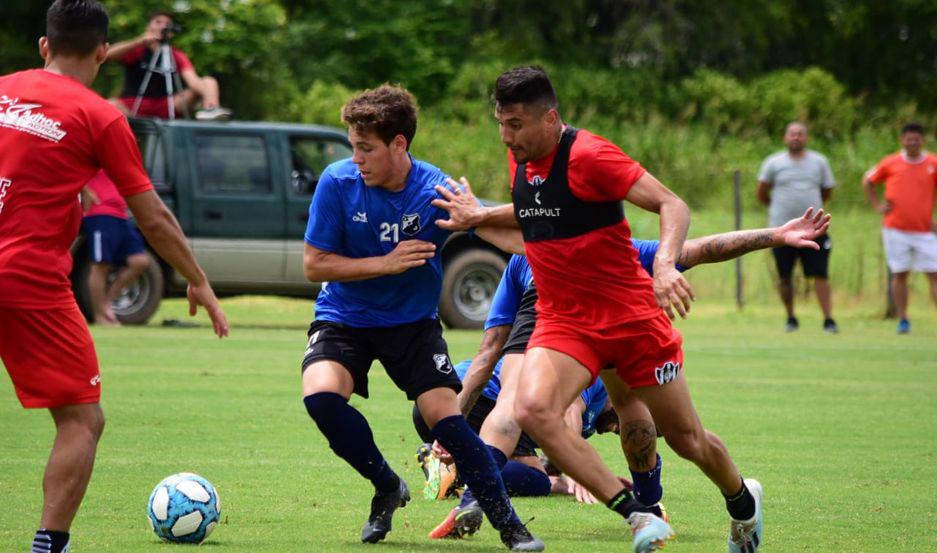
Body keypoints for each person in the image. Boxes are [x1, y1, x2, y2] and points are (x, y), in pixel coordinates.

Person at [432, 66, 764, 553]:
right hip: (565, 320)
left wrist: (666, 265)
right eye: (501, 123)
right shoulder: (522, 160)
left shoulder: (591, 155)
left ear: (552, 118)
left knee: (686, 439)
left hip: (632, 318)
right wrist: (477, 218)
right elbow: (532, 220)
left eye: (517, 124)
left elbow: (673, 205)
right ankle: (636, 515)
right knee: (533, 410)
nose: (507, 137)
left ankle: (742, 502)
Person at [424, 211, 828, 536]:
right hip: (566, 334)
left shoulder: (626, 251)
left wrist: (776, 235)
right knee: (515, 404)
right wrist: (451, 426)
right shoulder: (527, 260)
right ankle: (476, 498)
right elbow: (491, 346)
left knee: (685, 438)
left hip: (631, 334)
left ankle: (735, 501)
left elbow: (702, 247)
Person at [0, 3, 229, 553]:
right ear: (103, 52)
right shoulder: (100, 115)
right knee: (81, 419)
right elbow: (152, 215)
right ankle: (48, 544)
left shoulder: (3, 88)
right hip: (28, 279)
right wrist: (197, 279)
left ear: (42, 46)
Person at [299, 84, 542, 551]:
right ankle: (388, 485)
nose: (357, 158)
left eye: (366, 148)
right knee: (321, 398)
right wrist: (385, 263)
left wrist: (535, 242)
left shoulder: (434, 189)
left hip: (411, 326)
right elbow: (315, 264)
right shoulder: (338, 182)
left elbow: (503, 233)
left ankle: (511, 527)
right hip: (344, 317)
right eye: (353, 147)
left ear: (399, 144)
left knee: (444, 421)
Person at [757, 122, 838, 333]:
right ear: (785, 137)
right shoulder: (773, 163)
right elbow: (762, 193)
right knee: (785, 276)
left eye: (800, 134)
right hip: (781, 230)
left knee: (821, 273)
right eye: (792, 134)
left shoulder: (819, 162)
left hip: (815, 230)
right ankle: (791, 317)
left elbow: (827, 191)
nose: (796, 137)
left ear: (806, 138)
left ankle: (828, 319)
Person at [862, 122, 937, 334]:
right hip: (896, 229)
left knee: (933, 274)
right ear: (902, 140)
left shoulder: (933, 163)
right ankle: (903, 318)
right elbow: (868, 180)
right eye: (909, 139)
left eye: (917, 139)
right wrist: (877, 205)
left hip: (925, 230)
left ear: (923, 140)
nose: (913, 142)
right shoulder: (891, 162)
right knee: (900, 273)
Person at [106, 10, 230, 120]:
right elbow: (107, 55)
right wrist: (140, 41)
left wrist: (206, 90)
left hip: (167, 104)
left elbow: (193, 81)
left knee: (209, 81)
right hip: (133, 105)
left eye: (166, 24)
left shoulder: (176, 55)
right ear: (148, 27)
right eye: (158, 22)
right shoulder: (137, 50)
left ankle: (211, 110)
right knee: (110, 105)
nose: (162, 26)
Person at [81, 170, 151, 325]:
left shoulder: (117, 153)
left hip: (120, 213)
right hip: (100, 212)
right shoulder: (92, 150)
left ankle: (107, 303)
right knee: (100, 266)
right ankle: (100, 316)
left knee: (140, 261)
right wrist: (86, 190)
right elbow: (71, 168)